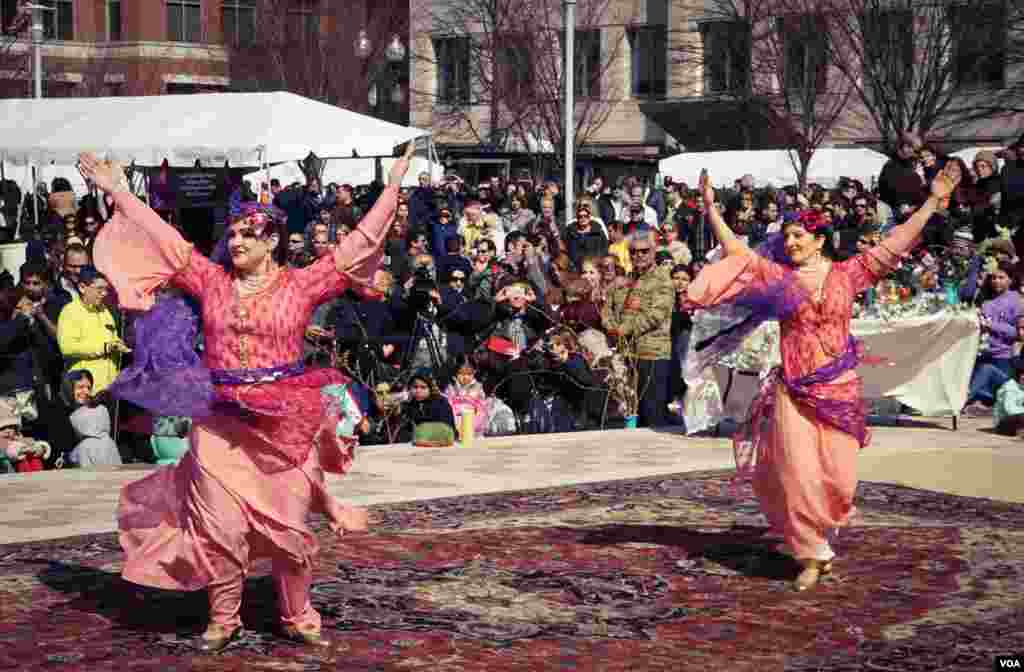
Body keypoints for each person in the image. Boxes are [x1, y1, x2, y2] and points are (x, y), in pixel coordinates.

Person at [78, 142, 416, 650]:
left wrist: (391, 188)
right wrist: (122, 194)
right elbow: (165, 239)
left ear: (273, 242)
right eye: (232, 233)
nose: (235, 241)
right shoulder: (210, 282)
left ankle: (298, 615)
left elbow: (355, 248)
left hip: (283, 423)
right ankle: (223, 617)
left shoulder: (301, 287)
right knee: (220, 526)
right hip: (220, 422)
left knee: (289, 527)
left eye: (247, 234)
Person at [685, 161, 961, 591]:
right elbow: (738, 253)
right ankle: (810, 554)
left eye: (799, 236)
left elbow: (897, 241)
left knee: (837, 478)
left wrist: (931, 202)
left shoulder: (848, 275)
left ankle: (822, 542)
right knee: (798, 473)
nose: (790, 242)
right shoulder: (778, 279)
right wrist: (710, 209)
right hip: (793, 390)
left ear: (818, 241)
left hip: (839, 389)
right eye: (787, 236)